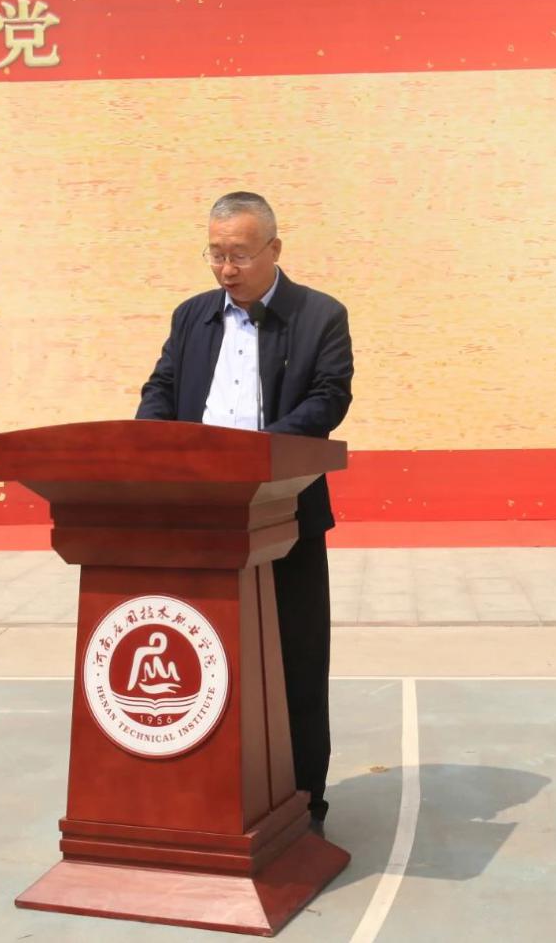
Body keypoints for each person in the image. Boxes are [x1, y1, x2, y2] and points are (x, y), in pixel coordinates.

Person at [136, 192, 354, 834]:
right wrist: (147, 446)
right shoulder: (191, 316)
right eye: (215, 254)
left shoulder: (319, 315)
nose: (226, 269)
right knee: (205, 660)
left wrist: (258, 459)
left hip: (283, 514)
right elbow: (162, 388)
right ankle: (208, 796)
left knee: (294, 664)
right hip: (199, 519)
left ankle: (305, 803)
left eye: (239, 255)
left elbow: (328, 398)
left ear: (274, 250)